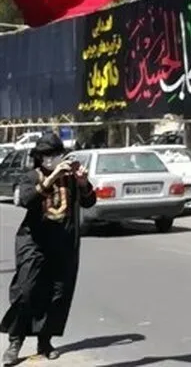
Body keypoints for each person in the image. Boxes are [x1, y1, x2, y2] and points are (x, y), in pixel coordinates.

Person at [2, 133, 95, 364]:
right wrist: (52, 177)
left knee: (57, 293)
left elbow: (89, 201)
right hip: (33, 242)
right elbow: (27, 200)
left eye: (55, 154)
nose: (51, 158)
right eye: (46, 155)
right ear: (39, 157)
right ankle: (15, 340)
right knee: (26, 290)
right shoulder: (31, 176)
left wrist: (83, 183)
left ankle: (45, 341)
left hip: (62, 243)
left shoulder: (71, 178)